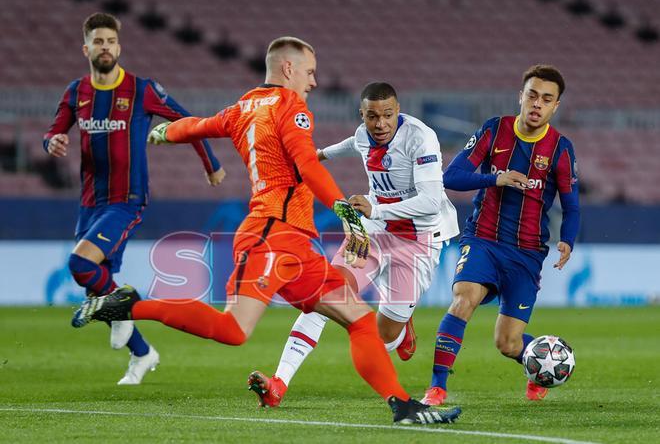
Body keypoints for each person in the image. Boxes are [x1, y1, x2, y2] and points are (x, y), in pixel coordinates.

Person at [72, 37, 461, 425]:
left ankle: (402, 405)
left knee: (358, 318)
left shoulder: (243, 106)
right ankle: (130, 304)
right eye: (309, 72)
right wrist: (340, 205)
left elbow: (199, 126)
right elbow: (308, 165)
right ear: (289, 69)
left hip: (297, 245)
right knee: (234, 329)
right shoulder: (292, 107)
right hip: (271, 234)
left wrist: (166, 134)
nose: (313, 81)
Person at [248, 82, 460, 407]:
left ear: (398, 111)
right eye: (372, 116)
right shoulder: (364, 133)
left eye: (388, 115)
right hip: (372, 231)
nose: (380, 124)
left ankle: (402, 328)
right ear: (362, 114)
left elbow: (431, 201)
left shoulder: (421, 138)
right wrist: (319, 155)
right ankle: (279, 384)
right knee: (324, 292)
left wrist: (376, 208)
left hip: (418, 239)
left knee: (385, 335)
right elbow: (353, 143)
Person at [44, 12, 225, 385]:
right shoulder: (76, 92)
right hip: (90, 201)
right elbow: (53, 130)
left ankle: (127, 307)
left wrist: (212, 164)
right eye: (98, 41)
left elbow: (188, 122)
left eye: (110, 41)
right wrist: (53, 142)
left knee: (80, 266)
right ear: (86, 48)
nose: (105, 47)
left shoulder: (141, 90)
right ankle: (143, 353)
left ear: (119, 46)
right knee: (97, 282)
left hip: (127, 199)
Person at [421, 64, 580, 406]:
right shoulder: (495, 130)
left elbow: (572, 205)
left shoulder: (561, 149)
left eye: (546, 99)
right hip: (484, 239)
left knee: (507, 342)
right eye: (532, 95)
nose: (537, 104)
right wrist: (495, 178)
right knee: (464, 298)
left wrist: (568, 238)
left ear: (555, 107)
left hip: (526, 252)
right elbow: (452, 176)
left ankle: (539, 362)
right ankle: (437, 387)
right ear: (520, 96)